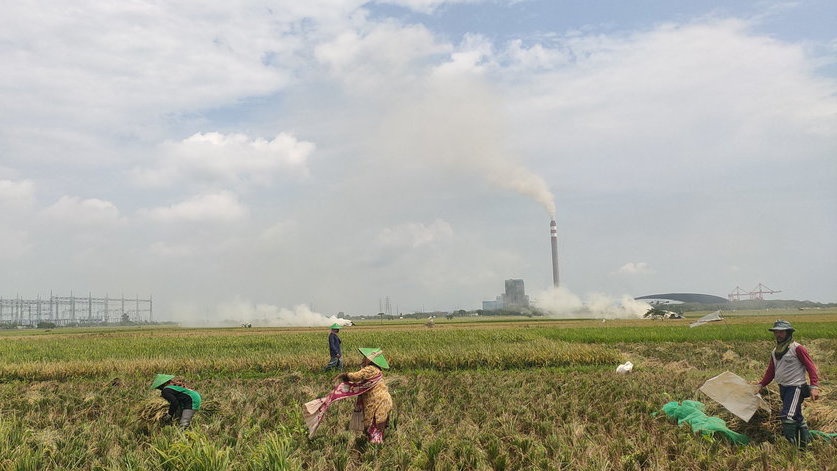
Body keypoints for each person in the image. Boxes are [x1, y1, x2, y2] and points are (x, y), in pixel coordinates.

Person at [303, 347, 393, 444]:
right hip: (384, 400)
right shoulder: (377, 370)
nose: (363, 359)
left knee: (374, 424)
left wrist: (344, 375)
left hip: (378, 401)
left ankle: (375, 447)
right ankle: (376, 446)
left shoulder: (370, 369)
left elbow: (356, 376)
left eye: (364, 358)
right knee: (378, 424)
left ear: (369, 359)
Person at [754, 320, 820, 447]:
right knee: (796, 416)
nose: (778, 334)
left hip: (795, 387)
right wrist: (760, 385)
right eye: (776, 332)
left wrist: (814, 386)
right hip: (783, 388)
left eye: (781, 332)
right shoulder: (775, 351)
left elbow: (811, 367)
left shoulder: (797, 348)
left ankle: (790, 447)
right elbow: (771, 372)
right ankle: (805, 445)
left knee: (787, 416)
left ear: (788, 332)